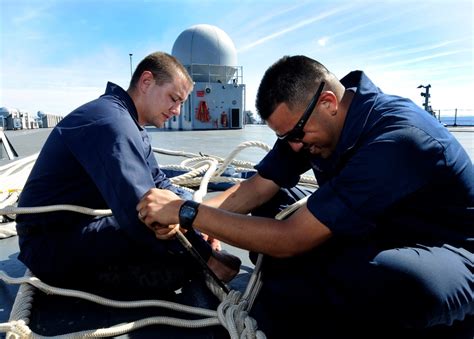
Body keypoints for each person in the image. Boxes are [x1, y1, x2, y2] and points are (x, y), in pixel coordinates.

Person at [137, 55, 473, 337]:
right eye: (286, 137)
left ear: (328, 103)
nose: (294, 145)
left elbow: (291, 237)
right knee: (272, 201)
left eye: (296, 134)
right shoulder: (309, 125)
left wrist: (187, 213)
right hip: (374, 229)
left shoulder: (399, 138)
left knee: (398, 278)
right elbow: (256, 188)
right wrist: (185, 221)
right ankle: (322, 286)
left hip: (449, 250)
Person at [16, 51, 240, 297]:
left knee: (170, 235)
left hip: (73, 228)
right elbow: (144, 212)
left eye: (181, 103)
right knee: (173, 267)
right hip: (50, 244)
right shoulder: (111, 124)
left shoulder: (128, 122)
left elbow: (160, 183)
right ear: (146, 82)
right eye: (173, 99)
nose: (176, 110)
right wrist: (207, 258)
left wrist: (200, 222)